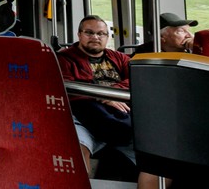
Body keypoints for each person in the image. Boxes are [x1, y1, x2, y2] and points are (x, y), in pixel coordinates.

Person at [57, 15, 159, 188]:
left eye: (101, 34)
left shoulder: (119, 58)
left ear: (107, 37)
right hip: (83, 117)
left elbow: (137, 78)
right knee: (77, 155)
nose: (95, 37)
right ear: (79, 34)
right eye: (89, 32)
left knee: (158, 160)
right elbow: (65, 86)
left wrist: (111, 94)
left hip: (122, 116)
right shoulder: (65, 58)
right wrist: (100, 96)